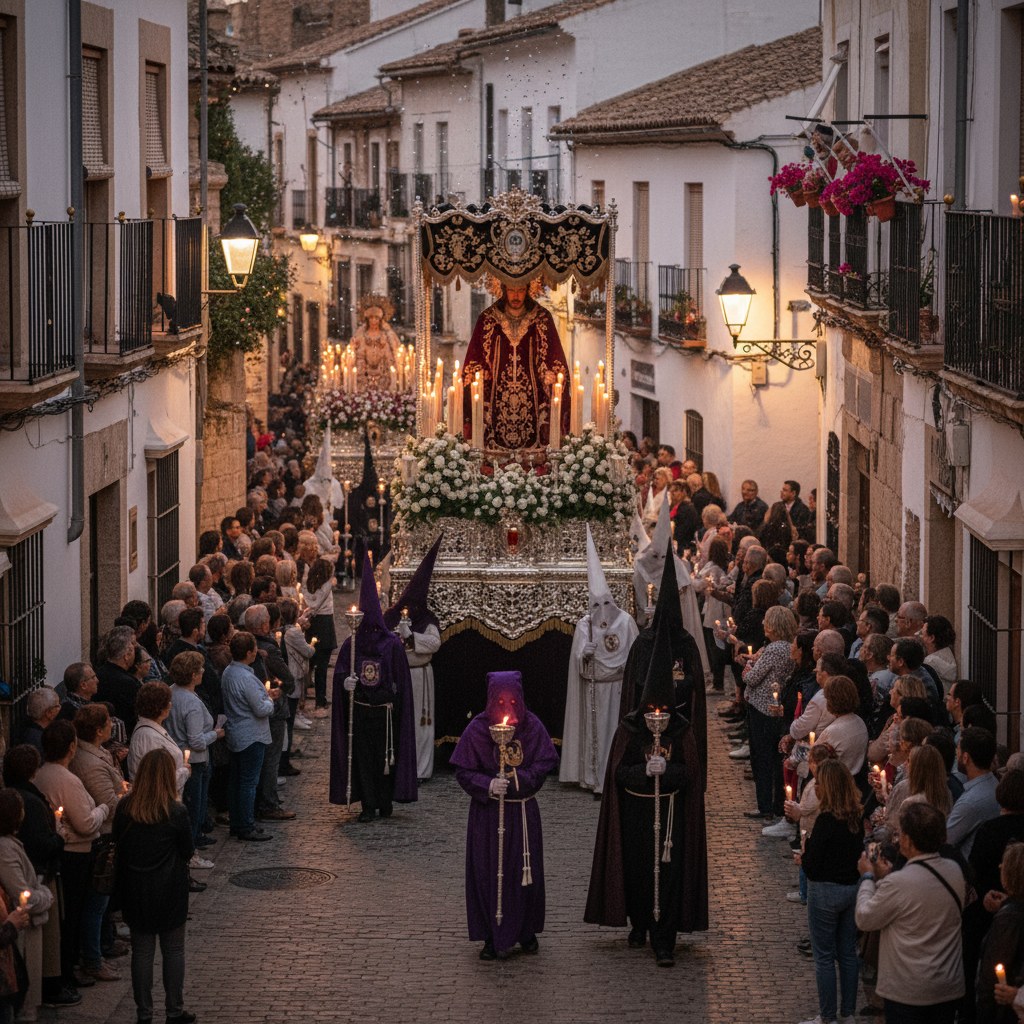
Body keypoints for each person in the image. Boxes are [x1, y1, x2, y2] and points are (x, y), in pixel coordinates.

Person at [585, 611, 708, 967]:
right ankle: (639, 924)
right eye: (651, 711)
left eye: (662, 711)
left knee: (667, 878)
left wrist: (667, 771)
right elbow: (619, 774)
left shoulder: (680, 731)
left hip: (670, 818)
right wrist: (644, 770)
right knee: (637, 872)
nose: (657, 717)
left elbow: (690, 775)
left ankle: (664, 939)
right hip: (636, 814)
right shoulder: (630, 729)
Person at [450, 671, 559, 961]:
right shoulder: (477, 729)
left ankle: (525, 930)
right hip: (487, 816)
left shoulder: (531, 726)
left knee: (523, 873)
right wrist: (487, 785)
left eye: (512, 700)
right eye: (499, 700)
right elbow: (463, 770)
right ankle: (491, 934)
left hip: (521, 812)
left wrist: (517, 780)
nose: (506, 707)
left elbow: (545, 761)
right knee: (487, 872)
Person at [855, 802, 966, 1024]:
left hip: (909, 989)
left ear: (908, 839)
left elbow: (865, 917)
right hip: (947, 984)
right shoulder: (954, 871)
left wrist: (868, 877)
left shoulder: (899, 882)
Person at [329, 557, 417, 821]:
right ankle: (368, 804)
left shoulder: (391, 644)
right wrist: (345, 682)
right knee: (363, 760)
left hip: (385, 713)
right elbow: (342, 671)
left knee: (386, 760)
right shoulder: (351, 644)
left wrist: (396, 699)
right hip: (362, 711)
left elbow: (401, 680)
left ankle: (384, 801)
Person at [112, 749, 195, 1024]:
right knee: (173, 951)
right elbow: (187, 850)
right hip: (169, 889)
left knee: (143, 952)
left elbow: (118, 844)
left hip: (135, 888)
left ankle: (144, 1013)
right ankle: (174, 1010)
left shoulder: (126, 808)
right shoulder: (175, 811)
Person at [34, 721, 112, 993]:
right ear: (71, 747)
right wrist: (102, 808)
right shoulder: (67, 780)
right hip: (75, 856)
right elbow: (86, 824)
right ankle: (69, 970)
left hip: (64, 852)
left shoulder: (41, 774)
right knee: (73, 916)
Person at [560, 526, 638, 795]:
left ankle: (615, 776)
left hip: (616, 689)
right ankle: (594, 778)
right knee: (596, 736)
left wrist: (622, 668)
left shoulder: (626, 622)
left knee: (613, 734)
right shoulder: (585, 626)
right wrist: (585, 655)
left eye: (606, 603)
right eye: (597, 605)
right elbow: (578, 663)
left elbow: (635, 655)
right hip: (594, 689)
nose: (602, 612)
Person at [461, 279, 569, 450]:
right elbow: (473, 362)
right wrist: (479, 374)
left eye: (520, 290)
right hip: (496, 406)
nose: (516, 295)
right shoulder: (488, 319)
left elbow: (555, 360)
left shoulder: (542, 318)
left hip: (533, 407)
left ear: (529, 289)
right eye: (511, 290)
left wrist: (550, 375)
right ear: (503, 289)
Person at [797, 759, 864, 1024]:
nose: (818, 788)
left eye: (821, 783)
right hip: (851, 889)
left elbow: (812, 866)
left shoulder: (826, 820)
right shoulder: (855, 817)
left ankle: (827, 1016)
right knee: (847, 953)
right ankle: (848, 1013)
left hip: (824, 891)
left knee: (824, 957)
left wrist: (804, 853)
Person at [384, 535, 444, 782]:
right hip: (399, 675)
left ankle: (420, 769)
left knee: (421, 725)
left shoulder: (427, 621)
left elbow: (434, 644)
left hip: (420, 676)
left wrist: (412, 638)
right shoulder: (392, 617)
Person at [0, 788, 53, 1023]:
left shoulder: (10, 844)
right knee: (23, 999)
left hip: (23, 925)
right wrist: (45, 896)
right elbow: (22, 893)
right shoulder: (5, 849)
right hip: (19, 929)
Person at [220, 631, 277, 842]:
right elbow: (260, 709)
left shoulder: (229, 672)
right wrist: (270, 700)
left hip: (236, 732)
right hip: (251, 735)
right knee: (248, 783)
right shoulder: (245, 677)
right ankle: (246, 825)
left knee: (237, 781)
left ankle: (238, 822)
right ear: (249, 652)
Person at [166, 652, 223, 858]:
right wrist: (215, 734)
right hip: (194, 760)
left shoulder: (172, 692)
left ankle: (196, 836)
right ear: (192, 675)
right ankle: (191, 848)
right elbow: (196, 740)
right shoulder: (190, 702)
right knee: (193, 805)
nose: (203, 672)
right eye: (200, 669)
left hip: (177, 755)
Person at [128, 683, 190, 797]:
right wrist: (184, 772)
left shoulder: (149, 729)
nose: (171, 705)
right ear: (161, 709)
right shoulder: (150, 737)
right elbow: (159, 782)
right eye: (168, 702)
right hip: (157, 805)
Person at [947, 726, 1000, 857]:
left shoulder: (970, 802)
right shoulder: (995, 785)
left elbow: (945, 840)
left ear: (966, 757)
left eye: (958, 750)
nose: (956, 754)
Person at [351, 295, 400, 389]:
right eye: (371, 318)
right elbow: (356, 355)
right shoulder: (361, 335)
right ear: (367, 319)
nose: (374, 321)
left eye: (376, 318)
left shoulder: (387, 335)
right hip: (364, 378)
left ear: (381, 319)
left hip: (384, 376)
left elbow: (392, 355)